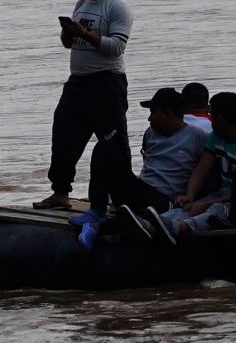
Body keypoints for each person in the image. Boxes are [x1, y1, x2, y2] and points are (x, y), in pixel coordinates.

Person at [32, 0, 133, 210]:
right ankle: (60, 192)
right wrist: (69, 33)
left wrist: (85, 34)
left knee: (113, 141)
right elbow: (68, 44)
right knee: (63, 134)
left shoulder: (117, 7)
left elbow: (117, 47)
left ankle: (123, 196)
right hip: (78, 83)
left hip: (107, 83)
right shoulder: (81, 3)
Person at [78, 87, 206, 248]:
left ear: (168, 114)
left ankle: (100, 228)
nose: (149, 118)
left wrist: (192, 198)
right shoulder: (150, 133)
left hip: (165, 199)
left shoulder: (197, 136)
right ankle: (97, 211)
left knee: (143, 208)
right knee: (104, 148)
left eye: (154, 113)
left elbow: (205, 170)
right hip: (141, 189)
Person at [154, 92, 236, 240]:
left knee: (215, 210)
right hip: (218, 194)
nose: (210, 120)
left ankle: (180, 228)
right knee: (187, 208)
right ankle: (152, 224)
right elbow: (202, 168)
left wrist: (207, 204)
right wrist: (189, 195)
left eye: (212, 115)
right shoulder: (215, 136)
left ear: (221, 118)